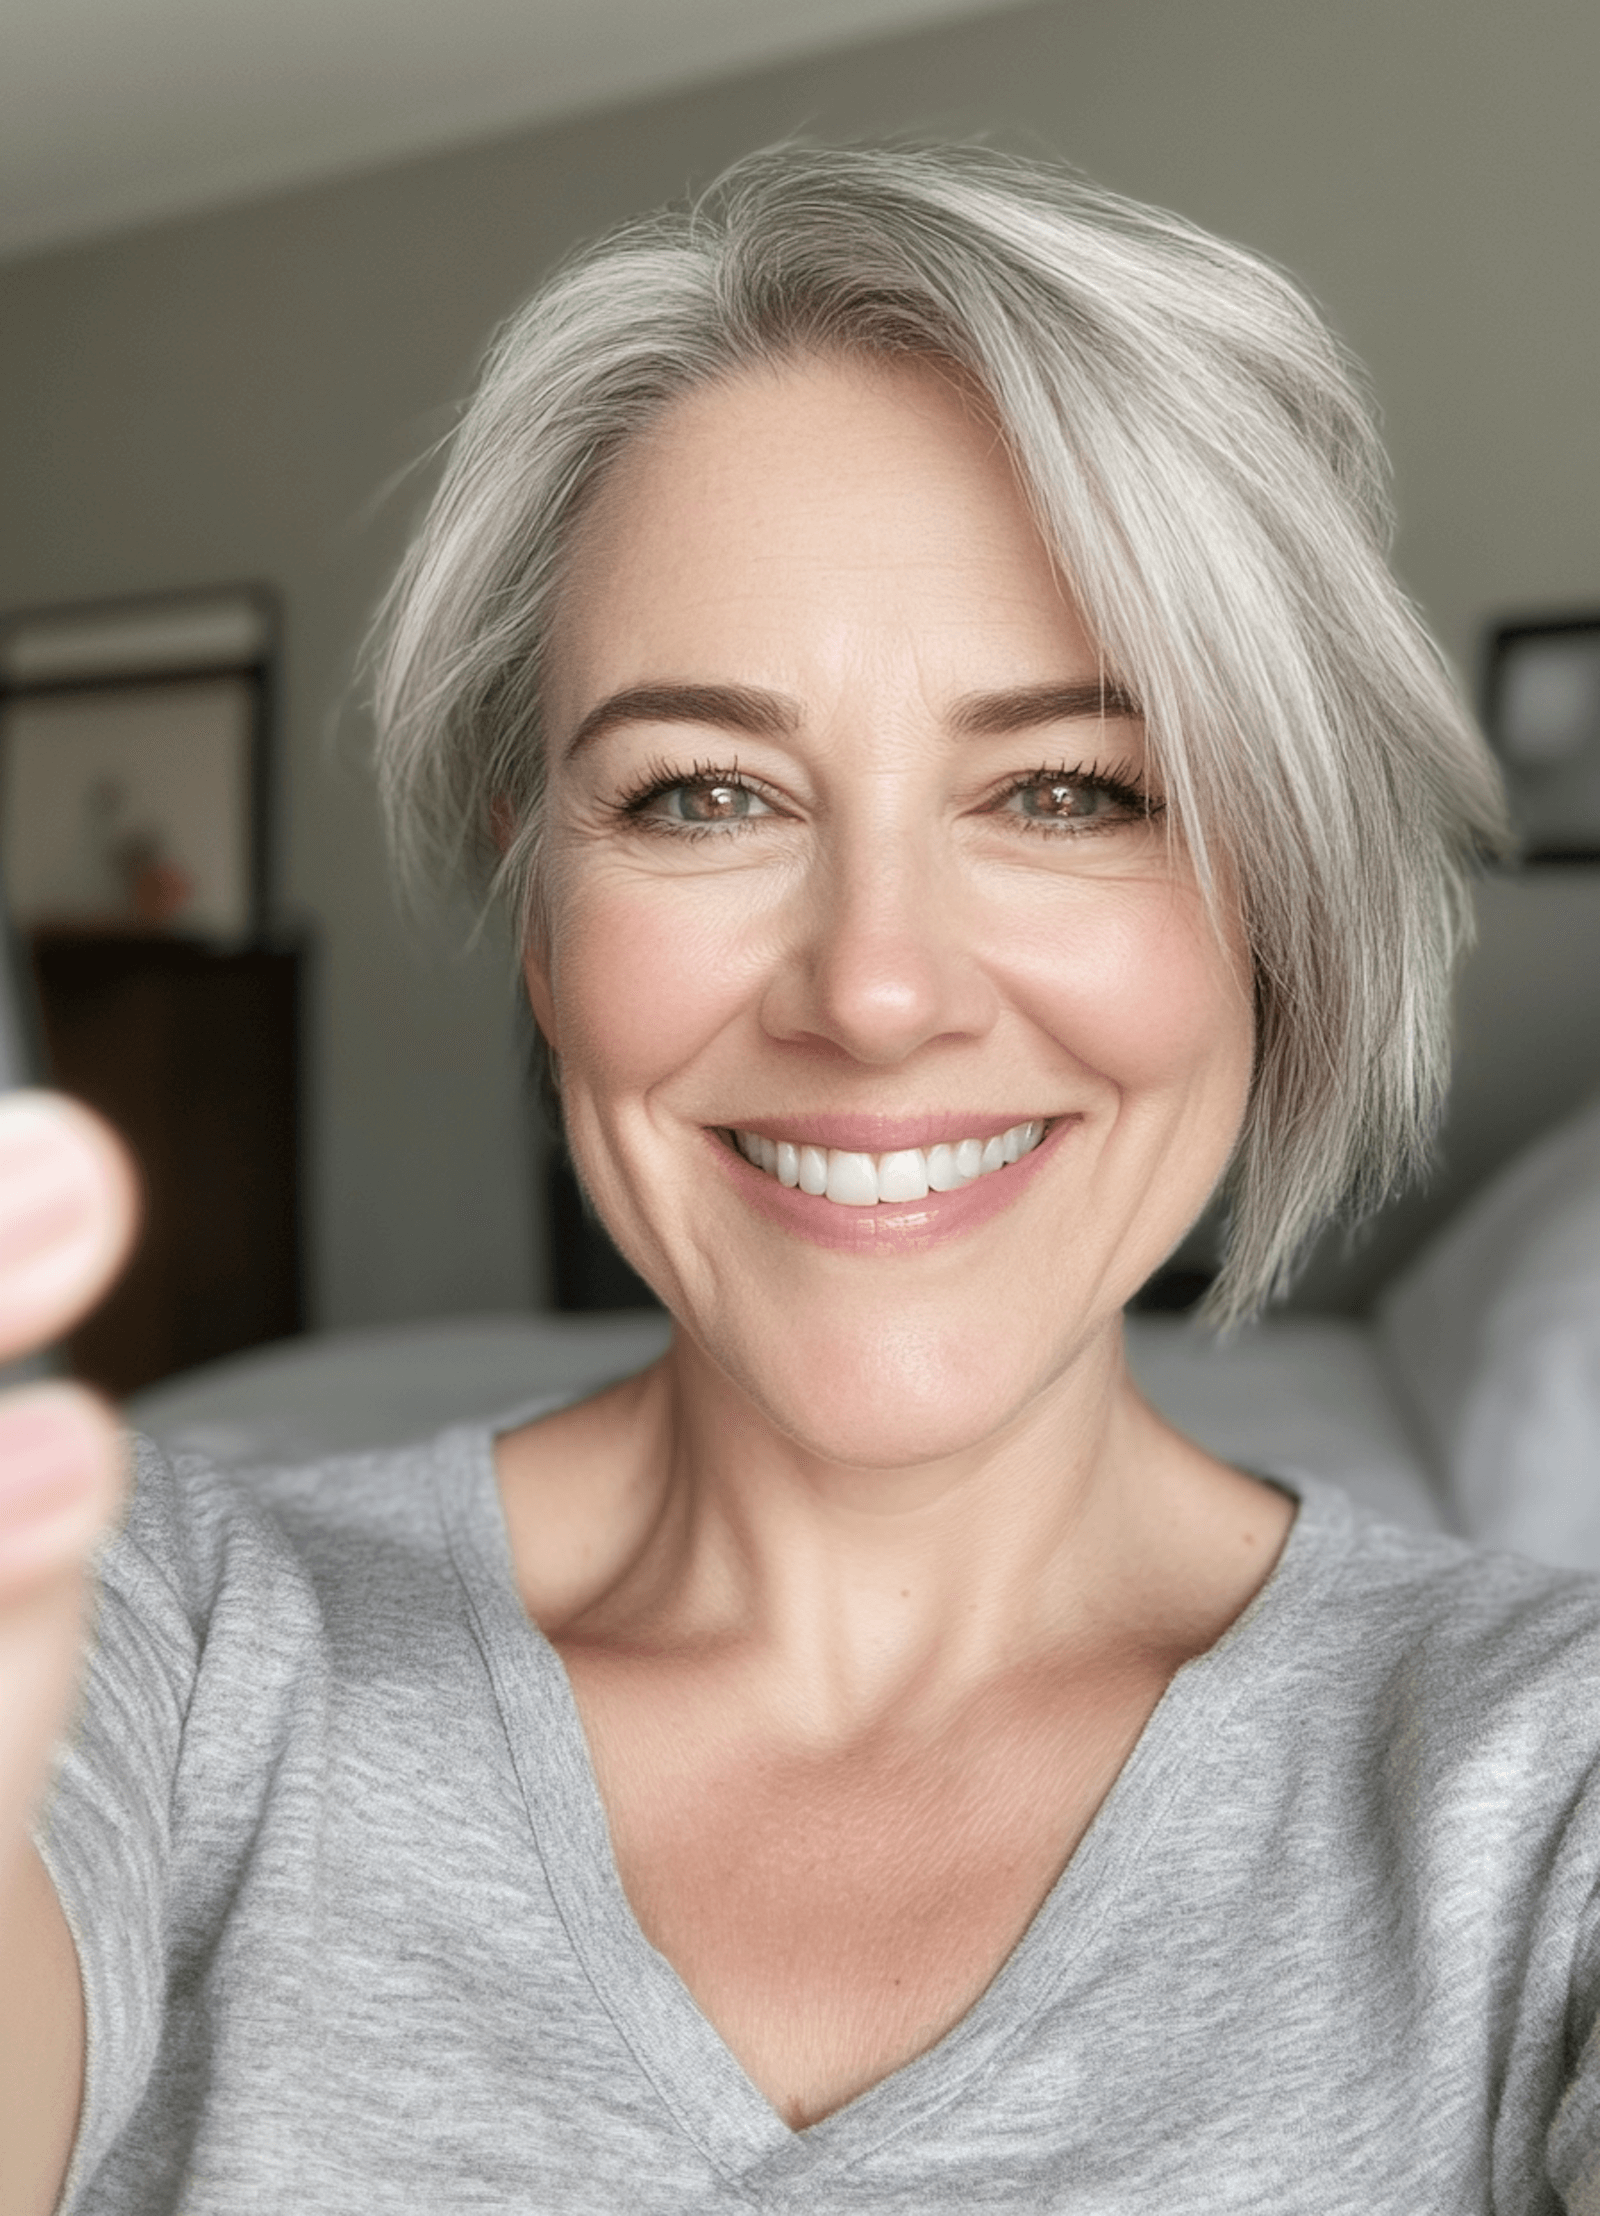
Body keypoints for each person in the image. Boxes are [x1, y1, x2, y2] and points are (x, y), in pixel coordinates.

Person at [0, 143, 1592, 2214]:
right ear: (542, 907)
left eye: (1064, 789)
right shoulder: (150, 1635)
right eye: (702, 794)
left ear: (1274, 907)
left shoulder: (1540, 1788)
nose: (873, 986)